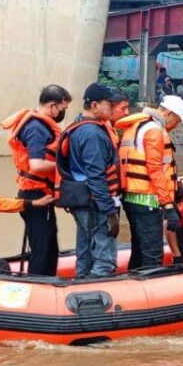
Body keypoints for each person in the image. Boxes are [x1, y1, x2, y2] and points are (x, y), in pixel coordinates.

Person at [1, 85, 72, 276]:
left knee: (49, 247)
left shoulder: (37, 124)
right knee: (43, 250)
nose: (63, 113)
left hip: (39, 193)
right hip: (35, 195)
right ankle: (37, 284)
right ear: (52, 106)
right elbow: (37, 165)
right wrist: (65, 167)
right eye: (63, 109)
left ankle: (46, 281)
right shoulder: (37, 128)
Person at [58, 83, 126, 278]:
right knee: (105, 260)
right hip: (95, 204)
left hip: (83, 202)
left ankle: (80, 284)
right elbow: (96, 176)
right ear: (95, 106)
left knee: (85, 254)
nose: (113, 108)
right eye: (109, 104)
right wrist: (110, 212)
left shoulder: (78, 126)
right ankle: (95, 292)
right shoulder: (93, 134)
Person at [116, 95, 183, 270]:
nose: (176, 126)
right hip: (147, 201)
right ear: (169, 113)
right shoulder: (154, 130)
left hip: (131, 197)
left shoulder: (136, 126)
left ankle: (133, 279)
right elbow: (155, 169)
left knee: (138, 250)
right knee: (153, 254)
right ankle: (150, 282)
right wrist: (168, 206)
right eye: (177, 121)